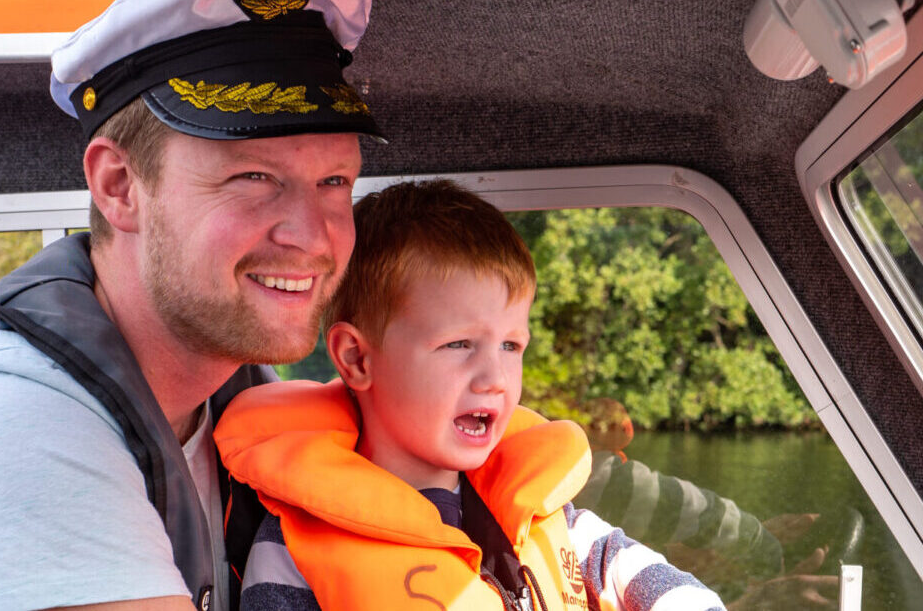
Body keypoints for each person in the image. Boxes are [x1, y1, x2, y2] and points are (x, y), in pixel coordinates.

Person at [0, 0, 381, 611]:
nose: (312, 235)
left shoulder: (245, 408)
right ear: (119, 186)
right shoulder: (13, 427)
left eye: (334, 181)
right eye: (253, 179)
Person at [214, 179, 725, 610]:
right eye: (459, 344)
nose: (495, 377)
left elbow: (643, 575)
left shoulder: (538, 513)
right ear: (357, 359)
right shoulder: (293, 552)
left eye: (510, 345)